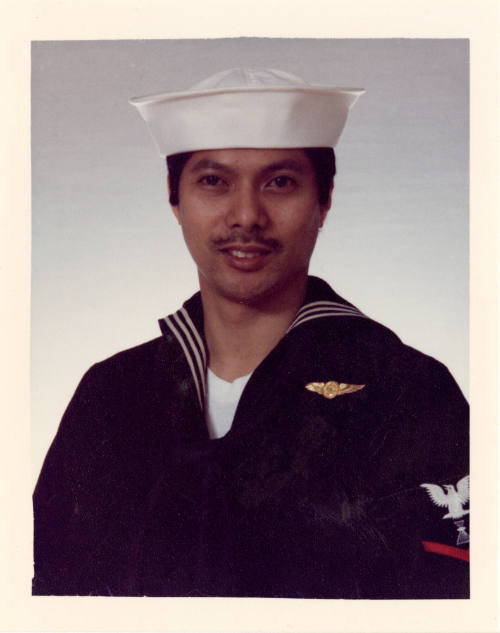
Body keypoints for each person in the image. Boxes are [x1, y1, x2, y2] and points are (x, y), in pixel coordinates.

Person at [32, 67, 469, 598]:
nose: (246, 216)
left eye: (279, 182)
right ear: (175, 201)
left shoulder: (407, 391)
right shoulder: (112, 393)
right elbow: (55, 599)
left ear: (324, 200)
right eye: (213, 181)